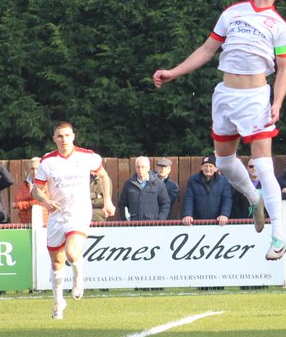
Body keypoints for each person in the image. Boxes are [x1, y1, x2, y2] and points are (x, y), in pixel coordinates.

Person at [153, 0, 286, 260]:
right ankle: (254, 199)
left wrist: (277, 102)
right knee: (225, 163)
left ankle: (279, 236)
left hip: (256, 97)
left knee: (264, 164)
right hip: (226, 96)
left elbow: (284, 69)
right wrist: (173, 72)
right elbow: (206, 50)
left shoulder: (278, 25)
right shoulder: (233, 13)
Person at [30, 121, 115, 320]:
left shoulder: (86, 156)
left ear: (73, 136)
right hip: (57, 216)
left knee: (70, 253)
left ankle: (78, 277)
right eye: (60, 136)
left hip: (79, 213)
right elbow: (36, 189)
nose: (64, 139)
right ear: (54, 138)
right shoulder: (47, 162)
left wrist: (108, 200)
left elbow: (103, 175)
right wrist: (45, 200)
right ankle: (58, 303)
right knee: (56, 263)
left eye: (67, 135)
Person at [182, 155, 233, 225]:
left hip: (218, 223)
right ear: (201, 167)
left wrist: (224, 214)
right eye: (205, 166)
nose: (208, 168)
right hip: (197, 222)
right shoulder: (193, 180)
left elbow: (227, 199)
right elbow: (189, 199)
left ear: (216, 168)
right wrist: (187, 215)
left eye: (211, 166)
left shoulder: (224, 181)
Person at [119, 156, 171, 221]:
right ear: (135, 168)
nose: (140, 169)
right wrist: (126, 221)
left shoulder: (159, 184)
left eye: (143, 167)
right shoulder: (128, 184)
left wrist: (159, 221)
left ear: (148, 168)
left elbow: (165, 204)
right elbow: (122, 205)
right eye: (138, 167)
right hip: (133, 225)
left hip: (153, 226)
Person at [14, 157, 42, 225]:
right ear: (29, 170)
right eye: (32, 169)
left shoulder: (47, 184)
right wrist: (31, 199)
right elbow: (17, 200)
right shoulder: (24, 184)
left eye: (37, 168)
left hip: (42, 223)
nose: (35, 172)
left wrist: (22, 204)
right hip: (25, 223)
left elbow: (41, 202)